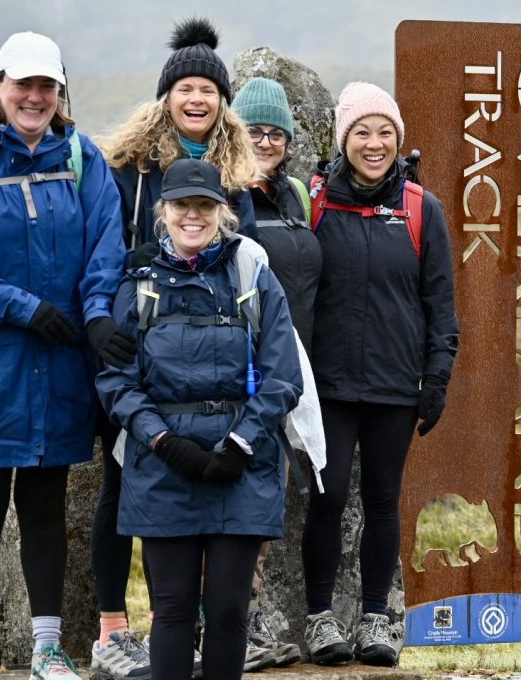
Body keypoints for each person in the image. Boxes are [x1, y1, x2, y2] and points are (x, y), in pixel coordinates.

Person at [0, 31, 127, 680]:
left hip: (61, 359)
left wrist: (94, 314)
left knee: (45, 506)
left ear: (60, 93)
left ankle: (47, 648)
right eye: (23, 85)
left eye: (47, 86)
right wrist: (23, 307)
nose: (34, 97)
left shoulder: (84, 158)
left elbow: (106, 246)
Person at [91, 17, 273, 677]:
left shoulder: (237, 169)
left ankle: (209, 627)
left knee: (216, 491)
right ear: (166, 94)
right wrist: (106, 321)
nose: (197, 98)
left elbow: (246, 258)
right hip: (138, 337)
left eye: (208, 89)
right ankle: (112, 625)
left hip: (217, 347)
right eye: (185, 87)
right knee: (122, 479)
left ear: (223, 100)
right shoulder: (130, 166)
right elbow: (105, 248)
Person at [95, 158, 303, 680]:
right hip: (163, 467)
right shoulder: (138, 286)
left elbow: (283, 376)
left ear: (223, 211)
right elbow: (116, 382)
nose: (193, 215)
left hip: (242, 468)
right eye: (182, 205)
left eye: (205, 205)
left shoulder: (253, 276)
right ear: (163, 211)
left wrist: (240, 444)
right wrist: (164, 441)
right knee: (172, 611)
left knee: (230, 611)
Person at [299, 82, 459, 667]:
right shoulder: (315, 201)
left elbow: (440, 302)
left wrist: (437, 377)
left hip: (395, 384)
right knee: (328, 495)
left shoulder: (421, 208)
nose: (374, 143)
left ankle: (374, 620)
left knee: (383, 501)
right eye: (362, 132)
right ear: (344, 139)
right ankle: (318, 618)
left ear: (399, 140)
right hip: (329, 384)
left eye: (385, 131)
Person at [231, 77, 324, 666]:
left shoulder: (295, 194)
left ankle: (248, 621)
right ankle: (224, 629)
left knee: (266, 502)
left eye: (276, 132)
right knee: (233, 498)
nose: (266, 141)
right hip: (235, 369)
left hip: (291, 370)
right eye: (254, 130)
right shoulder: (220, 189)